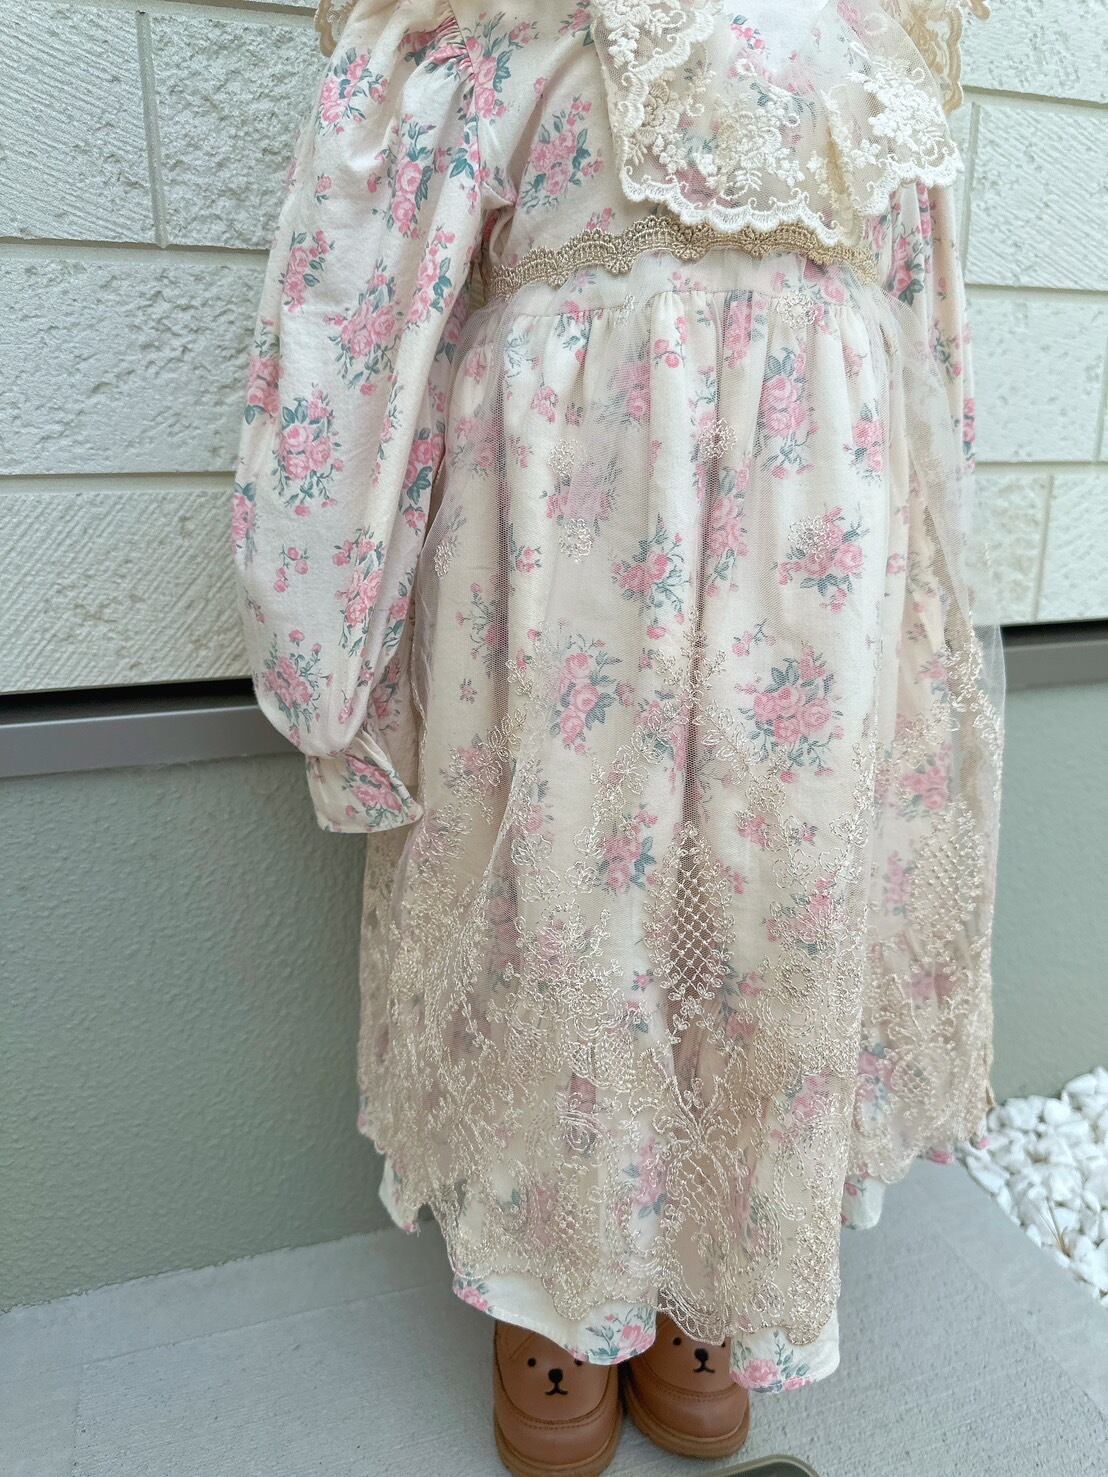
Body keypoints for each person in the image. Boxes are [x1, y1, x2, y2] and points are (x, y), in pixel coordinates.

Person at [231, 2, 1003, 1471]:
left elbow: (920, 333)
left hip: (815, 555)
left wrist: (933, 599)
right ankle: (552, 1277)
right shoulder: (505, 23)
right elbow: (371, 298)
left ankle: (724, 1256)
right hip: (575, 534)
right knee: (569, 876)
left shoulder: (876, 35)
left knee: (780, 887)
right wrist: (329, 622)